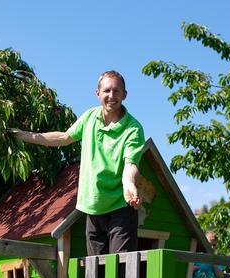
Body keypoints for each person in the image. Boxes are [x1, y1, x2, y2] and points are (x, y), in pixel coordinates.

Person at [8, 70, 144, 255]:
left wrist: (129, 185)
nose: (111, 96)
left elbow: (131, 164)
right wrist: (26, 136)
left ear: (124, 95)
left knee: (120, 268)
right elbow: (64, 137)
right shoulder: (89, 118)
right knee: (96, 272)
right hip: (93, 206)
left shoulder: (133, 129)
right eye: (107, 91)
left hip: (121, 206)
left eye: (117, 91)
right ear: (98, 94)